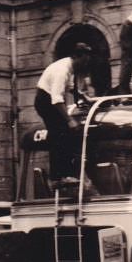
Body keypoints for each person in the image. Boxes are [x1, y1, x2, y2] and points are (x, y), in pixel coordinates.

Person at [34, 43, 94, 181]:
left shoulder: (70, 67)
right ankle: (59, 176)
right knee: (59, 134)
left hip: (49, 100)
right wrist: (70, 120)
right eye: (85, 61)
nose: (86, 64)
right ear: (77, 57)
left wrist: (85, 98)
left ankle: (66, 173)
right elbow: (56, 99)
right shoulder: (62, 70)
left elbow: (71, 88)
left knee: (64, 133)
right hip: (46, 101)